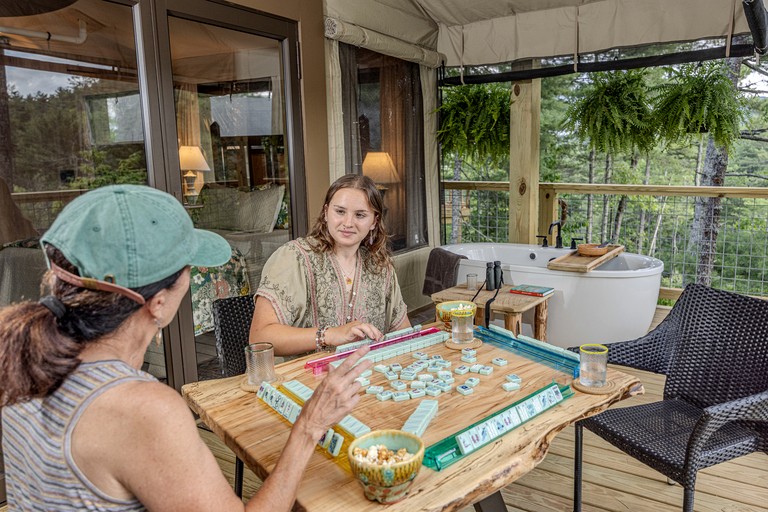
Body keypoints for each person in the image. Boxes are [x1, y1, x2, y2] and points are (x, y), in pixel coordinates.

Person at [0, 184, 371, 511]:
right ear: (158, 303)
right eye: (188, 268)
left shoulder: (18, 350)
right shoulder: (145, 410)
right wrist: (310, 424)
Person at [250, 174, 410, 356]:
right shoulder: (294, 258)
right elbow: (259, 338)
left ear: (374, 221)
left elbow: (403, 332)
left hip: (363, 378)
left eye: (360, 215)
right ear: (326, 213)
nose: (348, 223)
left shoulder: (380, 266)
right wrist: (328, 335)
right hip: (298, 380)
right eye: (340, 211)